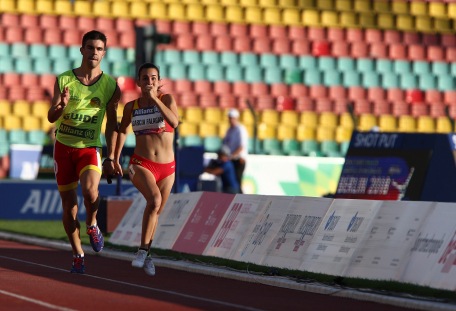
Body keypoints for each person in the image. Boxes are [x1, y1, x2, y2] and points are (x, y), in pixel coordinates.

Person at [47, 30, 121, 274]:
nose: (94, 52)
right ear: (81, 50)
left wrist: (111, 156)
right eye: (90, 47)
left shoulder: (110, 85)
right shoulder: (64, 79)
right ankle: (78, 253)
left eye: (99, 49)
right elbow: (51, 117)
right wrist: (61, 107)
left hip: (89, 148)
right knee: (69, 207)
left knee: (90, 192)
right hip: (64, 149)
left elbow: (112, 124)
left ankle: (92, 224)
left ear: (104, 53)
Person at [113, 63, 179, 276]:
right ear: (139, 82)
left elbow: (174, 122)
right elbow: (122, 131)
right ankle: (142, 250)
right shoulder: (131, 107)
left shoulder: (166, 100)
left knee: (155, 211)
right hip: (141, 164)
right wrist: (115, 157)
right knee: (154, 200)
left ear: (159, 82)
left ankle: (147, 254)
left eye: (153, 78)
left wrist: (155, 102)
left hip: (168, 168)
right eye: (145, 78)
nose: (149, 82)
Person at [223, 108, 248, 193]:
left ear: (236, 118)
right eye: (230, 118)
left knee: (237, 182)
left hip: (238, 160)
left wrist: (231, 156)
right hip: (231, 160)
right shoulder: (229, 130)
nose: (231, 120)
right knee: (231, 183)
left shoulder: (240, 129)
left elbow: (241, 147)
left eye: (232, 118)